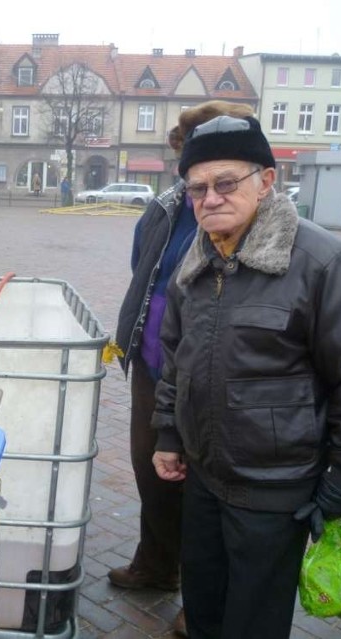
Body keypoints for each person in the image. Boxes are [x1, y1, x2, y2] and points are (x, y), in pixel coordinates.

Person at [151, 114, 341, 638]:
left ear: (266, 181)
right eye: (197, 187)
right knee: (203, 609)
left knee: (253, 624)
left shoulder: (321, 262)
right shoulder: (194, 262)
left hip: (275, 489)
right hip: (204, 477)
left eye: (225, 183)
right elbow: (176, 358)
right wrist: (169, 434)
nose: (209, 198)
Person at [110, 101, 255, 637]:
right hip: (155, 364)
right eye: (192, 146)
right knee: (152, 470)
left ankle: (201, 602)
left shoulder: (241, 211)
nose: (203, 170)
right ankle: (155, 563)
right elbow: (142, 271)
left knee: (204, 492)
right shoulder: (166, 207)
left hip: (215, 373)